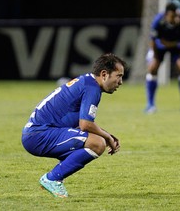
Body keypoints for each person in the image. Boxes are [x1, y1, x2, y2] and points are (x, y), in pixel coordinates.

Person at [21, 53, 127, 198]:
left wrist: (105, 133)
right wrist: (107, 136)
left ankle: (57, 174)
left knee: (94, 139)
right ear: (104, 74)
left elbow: (82, 124)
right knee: (97, 143)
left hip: (37, 133)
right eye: (118, 76)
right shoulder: (92, 88)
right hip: (39, 135)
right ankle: (52, 178)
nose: (120, 82)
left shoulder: (87, 82)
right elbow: (85, 124)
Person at [145, 0, 180, 114]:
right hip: (160, 46)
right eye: (173, 16)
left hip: (177, 46)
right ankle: (150, 105)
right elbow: (152, 41)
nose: (176, 18)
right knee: (152, 67)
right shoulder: (158, 21)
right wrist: (156, 57)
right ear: (167, 14)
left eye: (177, 15)